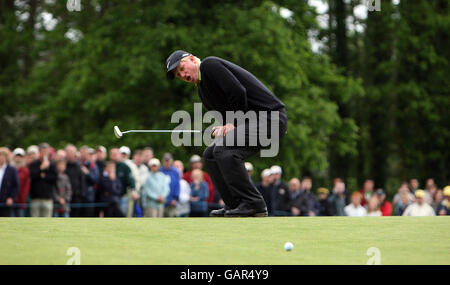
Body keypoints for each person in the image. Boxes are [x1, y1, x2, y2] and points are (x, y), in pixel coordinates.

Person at [166, 50, 288, 217]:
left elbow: (238, 91)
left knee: (223, 150)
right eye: (178, 74)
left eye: (181, 68)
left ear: (193, 59)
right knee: (210, 154)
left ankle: (254, 204)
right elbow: (226, 118)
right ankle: (235, 204)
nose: (182, 74)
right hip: (253, 122)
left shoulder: (209, 65)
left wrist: (233, 124)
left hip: (271, 119)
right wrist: (223, 127)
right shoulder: (203, 91)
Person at [28, 143, 57, 217]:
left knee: (47, 220)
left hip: (47, 198)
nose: (44, 154)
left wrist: (44, 176)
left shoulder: (52, 164)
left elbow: (54, 178)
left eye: (46, 152)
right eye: (42, 152)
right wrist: (41, 168)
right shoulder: (33, 164)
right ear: (39, 152)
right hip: (35, 197)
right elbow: (31, 176)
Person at [110, 147, 135, 217]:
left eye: (116, 154)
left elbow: (131, 180)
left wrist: (133, 190)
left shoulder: (125, 167)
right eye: (112, 154)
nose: (114, 156)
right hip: (110, 198)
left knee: (121, 216)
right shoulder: (108, 166)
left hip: (122, 196)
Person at [65, 144, 86, 217]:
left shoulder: (78, 166)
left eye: (71, 152)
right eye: (68, 152)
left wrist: (81, 195)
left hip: (76, 197)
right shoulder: (63, 165)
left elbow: (82, 181)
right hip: (65, 197)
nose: (70, 154)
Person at [80, 146, 100, 217]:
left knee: (88, 216)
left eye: (92, 155)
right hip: (81, 196)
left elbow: (95, 180)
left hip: (89, 197)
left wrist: (87, 173)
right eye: (89, 154)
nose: (90, 156)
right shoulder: (82, 164)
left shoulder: (93, 166)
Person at [160, 153, 180, 217]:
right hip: (161, 200)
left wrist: (175, 198)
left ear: (171, 161)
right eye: (165, 160)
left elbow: (177, 186)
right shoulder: (159, 171)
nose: (167, 162)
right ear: (162, 161)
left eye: (168, 160)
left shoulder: (175, 172)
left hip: (172, 201)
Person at [0, 147, 19, 217]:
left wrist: (11, 197)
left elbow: (16, 185)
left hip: (5, 201)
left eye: (2, 156)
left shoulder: (11, 170)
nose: (0, 158)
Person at [11, 148, 30, 217]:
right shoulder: (9, 169)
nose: (18, 158)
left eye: (20, 156)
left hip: (21, 201)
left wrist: (22, 198)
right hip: (10, 201)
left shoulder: (25, 170)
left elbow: (26, 187)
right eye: (16, 156)